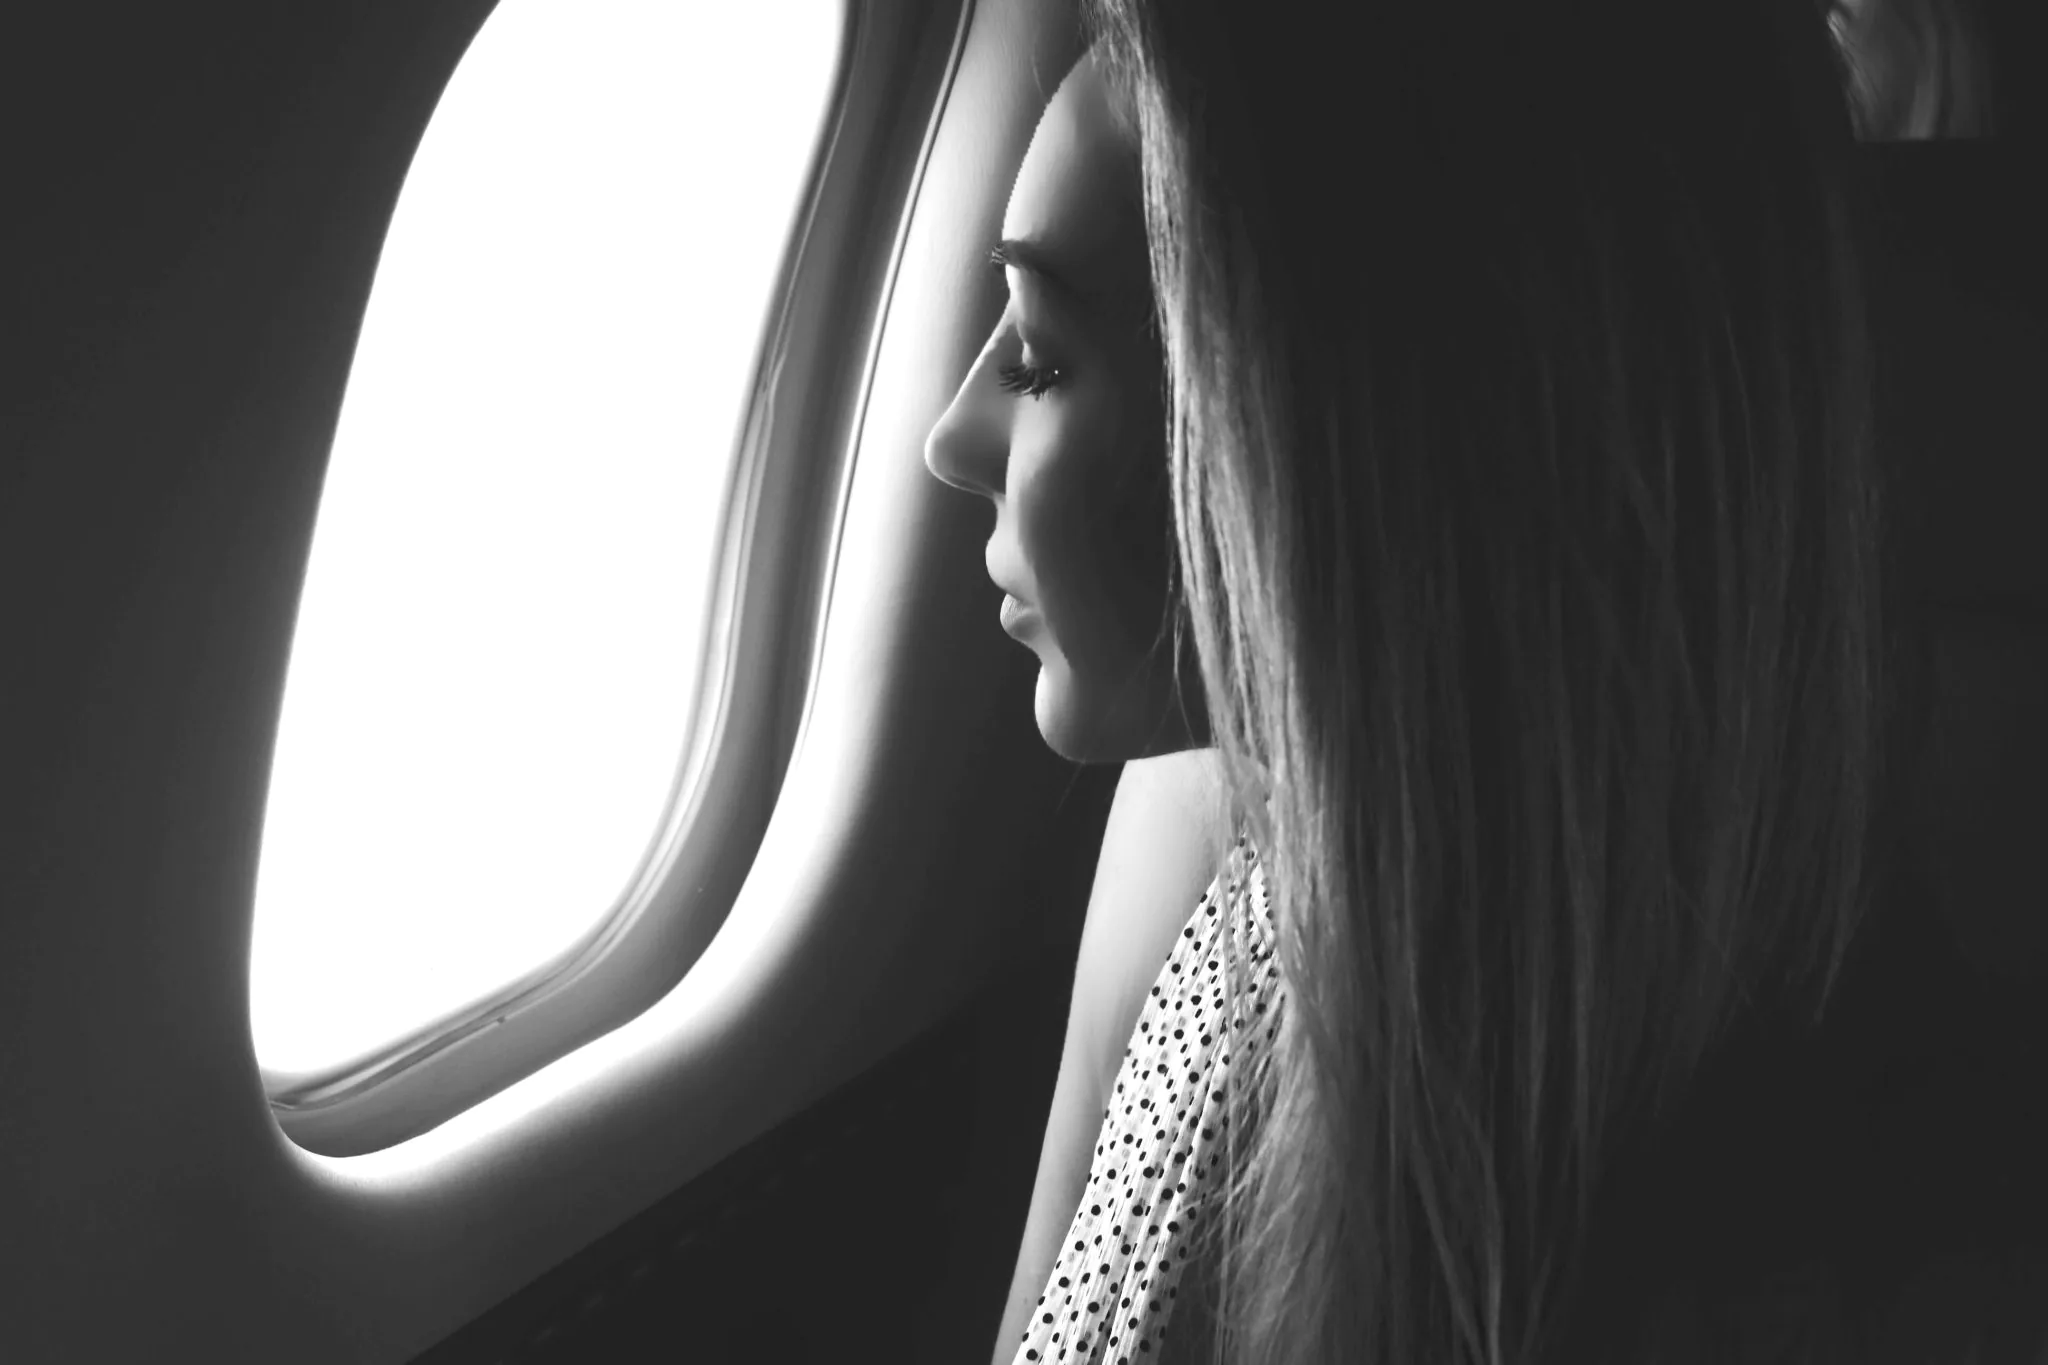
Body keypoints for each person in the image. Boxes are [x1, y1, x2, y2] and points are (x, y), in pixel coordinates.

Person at [935, 0, 1939, 1359]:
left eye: (1043, 356)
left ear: (1325, 438)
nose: (952, 436)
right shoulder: (1200, 853)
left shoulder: (1739, 1198)